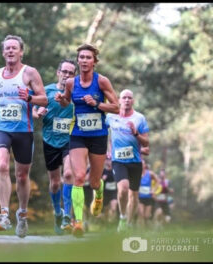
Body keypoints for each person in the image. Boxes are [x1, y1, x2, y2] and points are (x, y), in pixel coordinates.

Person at [0, 35, 48, 238]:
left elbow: (44, 100)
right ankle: (4, 214)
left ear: (21, 52)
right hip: (2, 127)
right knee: (2, 165)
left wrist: (29, 97)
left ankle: (22, 213)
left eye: (14, 48)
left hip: (24, 130)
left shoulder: (29, 72)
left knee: (21, 176)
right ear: (3, 52)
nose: (10, 51)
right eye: (7, 48)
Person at [55, 43, 119, 238]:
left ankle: (98, 194)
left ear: (94, 62)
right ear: (78, 61)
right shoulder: (71, 83)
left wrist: (97, 104)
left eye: (88, 58)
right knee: (79, 176)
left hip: (98, 136)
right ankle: (78, 223)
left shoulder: (102, 82)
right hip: (78, 134)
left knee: (93, 181)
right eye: (81, 57)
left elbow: (116, 107)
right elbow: (67, 100)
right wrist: (61, 99)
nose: (84, 60)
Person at [32, 59, 76, 235]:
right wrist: (38, 113)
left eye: (70, 73)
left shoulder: (76, 93)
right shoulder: (47, 91)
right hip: (50, 140)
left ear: (74, 76)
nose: (66, 75)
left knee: (68, 174)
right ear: (58, 72)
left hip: (71, 139)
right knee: (55, 183)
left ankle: (67, 215)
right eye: (64, 71)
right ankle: (57, 212)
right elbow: (34, 110)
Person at [105, 89, 150, 232]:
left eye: (129, 98)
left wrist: (135, 133)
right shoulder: (111, 117)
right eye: (124, 97)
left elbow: (146, 143)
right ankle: (123, 218)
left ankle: (130, 223)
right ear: (119, 100)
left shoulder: (139, 118)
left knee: (134, 195)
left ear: (133, 101)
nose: (126, 100)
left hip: (135, 161)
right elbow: (101, 132)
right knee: (123, 188)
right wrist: (107, 149)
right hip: (118, 160)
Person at [137, 159, 159, 229]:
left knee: (146, 216)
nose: (141, 165)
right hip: (140, 197)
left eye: (142, 164)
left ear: (145, 165)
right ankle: (141, 230)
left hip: (148, 197)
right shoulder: (137, 173)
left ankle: (146, 228)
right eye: (140, 164)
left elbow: (157, 181)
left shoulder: (150, 173)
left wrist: (153, 190)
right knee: (141, 214)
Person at [102, 156, 118, 224]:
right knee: (106, 209)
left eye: (110, 160)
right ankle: (106, 222)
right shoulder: (103, 171)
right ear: (105, 161)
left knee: (114, 208)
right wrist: (102, 179)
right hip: (105, 193)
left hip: (113, 192)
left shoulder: (115, 170)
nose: (108, 162)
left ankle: (111, 222)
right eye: (107, 160)